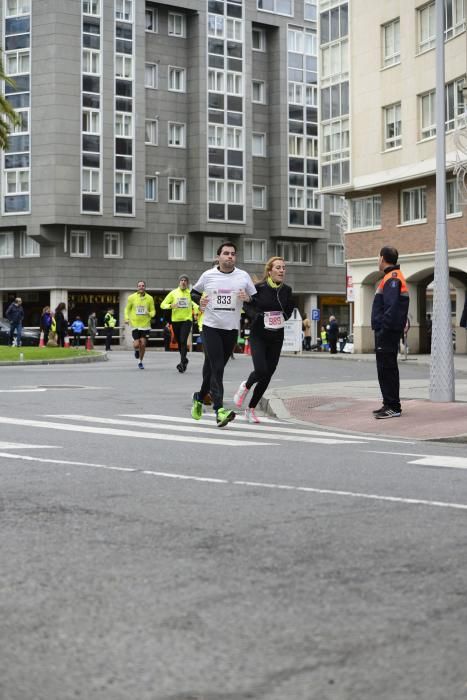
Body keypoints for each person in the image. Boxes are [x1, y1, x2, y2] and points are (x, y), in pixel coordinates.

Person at [190, 241, 256, 427]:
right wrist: (199, 302)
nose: (229, 256)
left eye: (233, 254)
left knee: (212, 368)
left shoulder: (243, 276)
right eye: (226, 253)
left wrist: (248, 298)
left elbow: (255, 299)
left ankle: (199, 396)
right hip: (211, 327)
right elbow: (193, 293)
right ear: (218, 256)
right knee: (217, 367)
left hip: (231, 329)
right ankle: (219, 410)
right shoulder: (208, 275)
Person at [233, 257, 294, 423]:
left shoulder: (287, 290)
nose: (282, 270)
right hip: (259, 334)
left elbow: (289, 309)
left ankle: (251, 409)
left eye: (284, 267)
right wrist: (259, 316)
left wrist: (283, 317)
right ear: (269, 271)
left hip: (276, 336)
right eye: (278, 267)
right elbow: (248, 305)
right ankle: (245, 386)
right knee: (260, 370)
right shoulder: (258, 288)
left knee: (268, 375)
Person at [371, 246, 409, 419]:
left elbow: (391, 306)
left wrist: (383, 329)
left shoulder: (392, 278)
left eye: (378, 257)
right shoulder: (390, 277)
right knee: (385, 368)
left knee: (387, 368)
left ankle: (393, 406)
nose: (377, 260)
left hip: (387, 331)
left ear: (383, 258)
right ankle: (389, 403)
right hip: (388, 330)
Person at [160, 275, 198, 373]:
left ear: (188, 283)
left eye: (185, 280)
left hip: (187, 320)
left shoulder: (190, 294)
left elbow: (195, 305)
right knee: (179, 342)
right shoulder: (173, 293)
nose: (183, 282)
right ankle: (184, 359)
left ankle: (182, 364)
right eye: (182, 280)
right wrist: (170, 305)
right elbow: (162, 305)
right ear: (179, 282)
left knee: (183, 340)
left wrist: (198, 310)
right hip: (175, 320)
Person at [124, 280, 156, 369]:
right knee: (137, 345)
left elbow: (153, 311)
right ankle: (136, 350)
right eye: (139, 286)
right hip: (135, 325)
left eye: (142, 286)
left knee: (143, 344)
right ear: (137, 287)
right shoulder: (131, 297)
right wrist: (126, 318)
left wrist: (149, 313)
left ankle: (140, 361)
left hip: (145, 325)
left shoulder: (150, 298)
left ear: (145, 287)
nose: (141, 287)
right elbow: (127, 309)